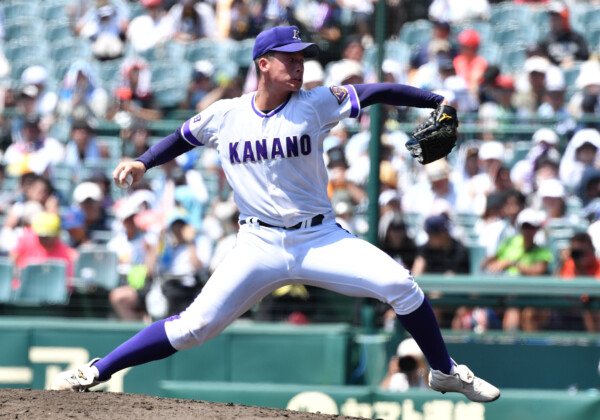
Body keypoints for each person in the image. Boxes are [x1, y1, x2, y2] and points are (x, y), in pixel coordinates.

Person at [51, 25, 499, 403]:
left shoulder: (317, 102)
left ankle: (443, 371)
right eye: (291, 58)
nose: (300, 65)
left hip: (319, 238)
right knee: (193, 328)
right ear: (263, 63)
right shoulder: (224, 115)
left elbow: (378, 91)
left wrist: (433, 98)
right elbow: (181, 137)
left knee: (400, 285)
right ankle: (98, 370)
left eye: (304, 57)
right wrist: (142, 162)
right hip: (258, 244)